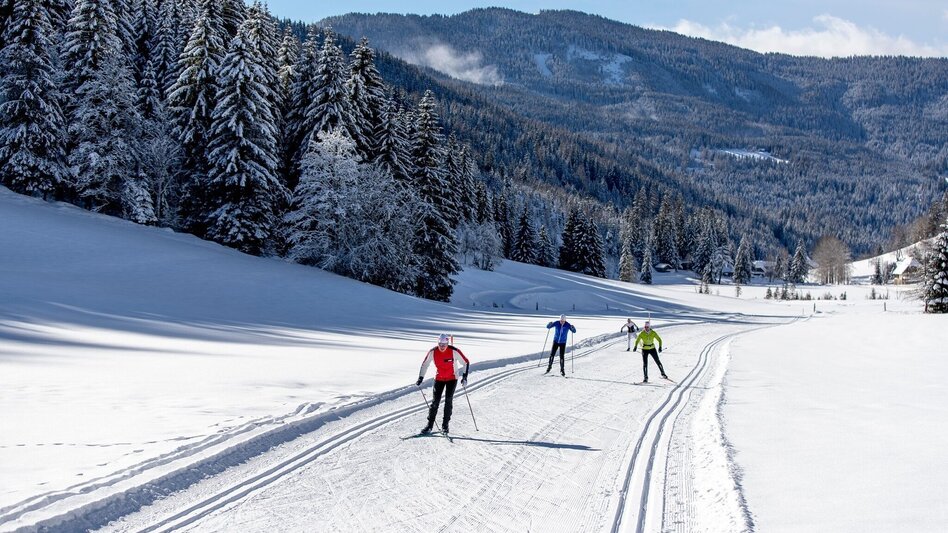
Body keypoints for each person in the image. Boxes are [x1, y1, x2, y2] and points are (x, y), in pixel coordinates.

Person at [416, 334, 470, 434]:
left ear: (447, 343)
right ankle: (429, 426)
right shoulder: (433, 352)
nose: (442, 347)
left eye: (444, 345)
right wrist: (421, 378)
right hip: (439, 378)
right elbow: (425, 364)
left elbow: (465, 362)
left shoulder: (454, 351)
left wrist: (464, 377)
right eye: (440, 344)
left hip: (452, 378)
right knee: (435, 402)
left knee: (448, 401)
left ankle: (445, 426)